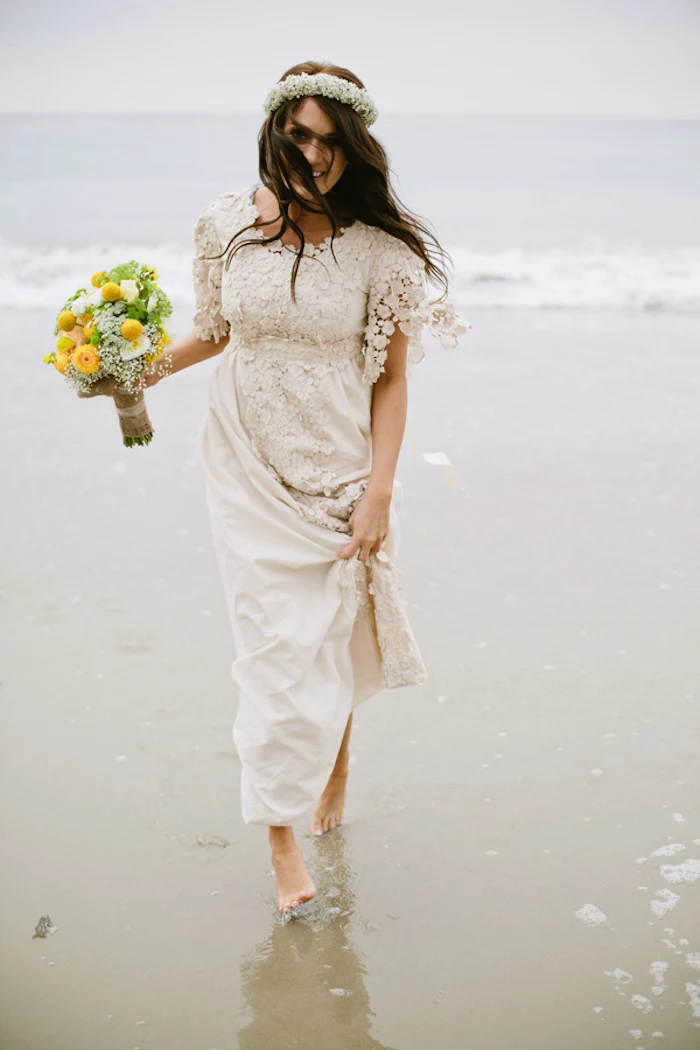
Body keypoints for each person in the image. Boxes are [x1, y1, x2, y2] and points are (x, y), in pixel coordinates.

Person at [145, 61, 471, 914]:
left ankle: (338, 760)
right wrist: (133, 371)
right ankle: (283, 845)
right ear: (273, 130)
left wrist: (382, 491)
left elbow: (393, 382)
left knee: (325, 635)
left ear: (354, 147)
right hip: (246, 459)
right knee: (273, 650)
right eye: (300, 136)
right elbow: (214, 333)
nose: (314, 157)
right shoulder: (223, 224)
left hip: (340, 464)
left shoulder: (380, 253)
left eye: (331, 142)